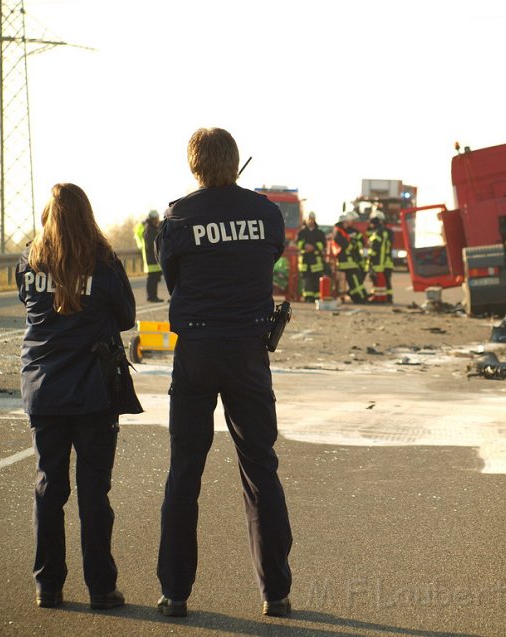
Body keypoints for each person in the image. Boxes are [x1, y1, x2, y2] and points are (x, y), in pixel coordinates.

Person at [154, 127, 293, 619]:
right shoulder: (265, 213)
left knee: (184, 472)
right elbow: (270, 257)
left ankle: (175, 593)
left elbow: (172, 278)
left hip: (195, 349)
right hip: (248, 350)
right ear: (235, 162)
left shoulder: (177, 215)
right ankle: (275, 591)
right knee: (260, 468)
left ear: (194, 165)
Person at [16, 183, 141, 610]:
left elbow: (30, 303)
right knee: (93, 492)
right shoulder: (104, 264)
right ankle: (101, 588)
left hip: (44, 388)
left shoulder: (29, 261)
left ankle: (47, 586)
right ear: (88, 216)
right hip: (93, 391)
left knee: (48, 488)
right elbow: (126, 317)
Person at [332, 211, 368, 303]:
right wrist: (353, 244)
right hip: (345, 260)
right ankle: (360, 297)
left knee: (358, 278)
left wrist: (354, 244)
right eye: (350, 221)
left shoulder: (353, 231)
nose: (351, 223)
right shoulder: (338, 230)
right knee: (355, 279)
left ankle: (359, 295)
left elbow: (361, 242)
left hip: (354, 259)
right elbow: (345, 245)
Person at [134, 210, 164, 302]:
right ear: (152, 219)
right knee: (152, 278)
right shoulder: (149, 229)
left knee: (154, 278)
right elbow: (150, 244)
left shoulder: (152, 227)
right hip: (151, 257)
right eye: (156, 219)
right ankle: (151, 297)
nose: (157, 220)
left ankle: (153, 296)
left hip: (153, 257)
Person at [296, 212, 327, 302]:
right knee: (307, 280)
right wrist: (305, 246)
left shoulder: (319, 233)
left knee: (317, 279)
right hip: (305, 260)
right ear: (306, 220)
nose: (310, 221)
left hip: (316, 260)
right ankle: (308, 297)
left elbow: (323, 244)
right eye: (309, 219)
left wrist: (313, 247)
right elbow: (298, 243)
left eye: (312, 219)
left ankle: (317, 296)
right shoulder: (301, 232)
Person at [366, 211, 393, 303]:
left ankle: (381, 297)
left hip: (379, 260)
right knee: (384, 280)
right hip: (385, 260)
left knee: (380, 280)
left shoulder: (379, 233)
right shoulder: (386, 232)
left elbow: (376, 247)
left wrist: (370, 256)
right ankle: (385, 297)